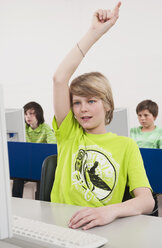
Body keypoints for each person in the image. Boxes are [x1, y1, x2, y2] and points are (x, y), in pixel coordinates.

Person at [51, 2, 155, 230]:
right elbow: (60, 78)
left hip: (102, 228)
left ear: (107, 105)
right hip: (61, 225)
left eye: (91, 101)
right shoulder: (69, 133)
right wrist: (95, 32)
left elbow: (147, 201)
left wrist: (109, 212)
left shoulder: (126, 146)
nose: (82, 109)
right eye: (76, 103)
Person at [12, 101, 56, 198]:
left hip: (39, 164)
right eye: (26, 114)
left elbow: (53, 144)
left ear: (38, 114)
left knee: (41, 178)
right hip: (26, 164)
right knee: (17, 174)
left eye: (31, 114)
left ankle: (40, 203)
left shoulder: (45, 128)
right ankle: (15, 201)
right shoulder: (22, 128)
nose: (28, 117)